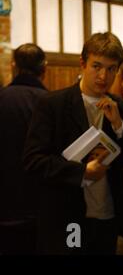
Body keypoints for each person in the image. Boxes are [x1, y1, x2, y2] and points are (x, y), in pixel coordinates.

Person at [23, 32, 123, 254]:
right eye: (96, 66)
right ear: (82, 64)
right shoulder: (53, 104)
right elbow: (33, 160)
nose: (103, 76)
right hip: (70, 215)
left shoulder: (120, 108)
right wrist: (81, 172)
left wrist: (119, 127)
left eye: (111, 69)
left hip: (108, 214)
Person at [0, 44, 48, 254]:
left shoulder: (3, 98)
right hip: (42, 206)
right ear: (44, 69)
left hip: (4, 204)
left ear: (13, 66)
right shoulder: (53, 103)